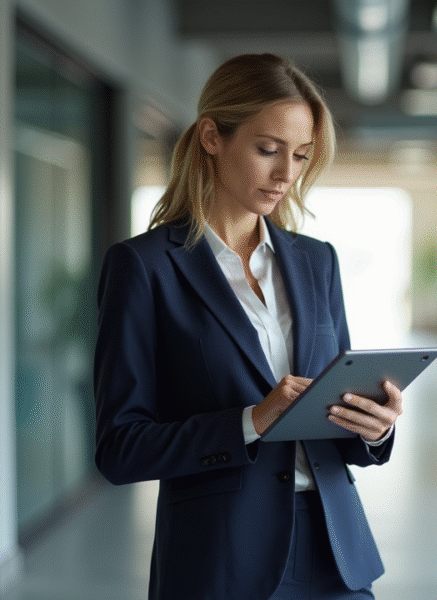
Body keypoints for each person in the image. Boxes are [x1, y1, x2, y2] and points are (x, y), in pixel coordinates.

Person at [93, 53, 402, 600]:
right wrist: (251, 420)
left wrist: (375, 427)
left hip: (335, 554)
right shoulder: (144, 267)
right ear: (212, 136)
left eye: (302, 156)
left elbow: (337, 412)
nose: (287, 175)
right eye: (268, 150)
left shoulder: (316, 261)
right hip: (220, 559)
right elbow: (121, 448)